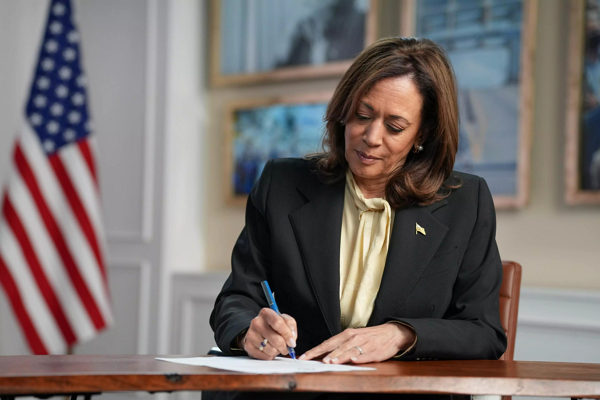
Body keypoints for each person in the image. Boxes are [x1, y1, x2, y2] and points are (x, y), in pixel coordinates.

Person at [209, 37, 506, 400]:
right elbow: (236, 299)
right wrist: (248, 331)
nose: (370, 137)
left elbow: (484, 331)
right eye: (362, 116)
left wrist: (401, 335)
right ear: (343, 111)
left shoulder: (465, 202)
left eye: (394, 127)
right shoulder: (281, 184)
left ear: (422, 135)